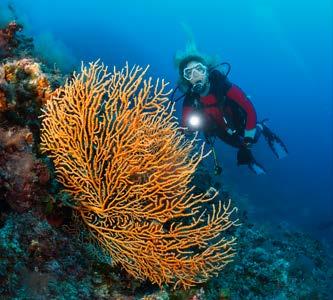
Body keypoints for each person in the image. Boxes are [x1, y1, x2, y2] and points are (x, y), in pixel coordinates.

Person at [177, 54, 288, 175]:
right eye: (189, 73)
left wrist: (248, 142)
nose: (196, 75)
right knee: (239, 146)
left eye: (199, 69)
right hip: (219, 130)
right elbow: (184, 127)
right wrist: (188, 130)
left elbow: (250, 110)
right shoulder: (190, 99)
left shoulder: (223, 86)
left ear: (207, 71)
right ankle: (251, 161)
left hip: (238, 121)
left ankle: (262, 127)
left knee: (252, 139)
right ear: (186, 79)